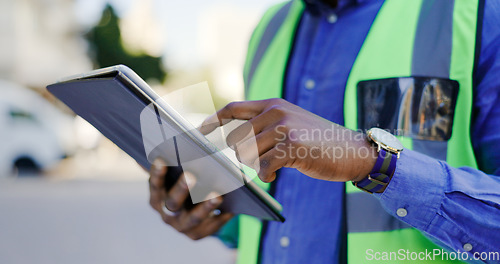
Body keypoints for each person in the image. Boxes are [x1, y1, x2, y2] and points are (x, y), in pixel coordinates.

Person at [147, 0, 500, 263]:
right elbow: (284, 217)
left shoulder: (478, 16)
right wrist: (213, 214)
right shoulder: (271, 28)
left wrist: (371, 162)